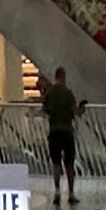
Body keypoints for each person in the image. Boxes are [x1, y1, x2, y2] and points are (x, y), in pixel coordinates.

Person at [39, 68, 83, 201]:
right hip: (67, 131)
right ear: (63, 76)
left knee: (56, 163)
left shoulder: (50, 93)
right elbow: (76, 111)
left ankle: (57, 192)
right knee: (69, 163)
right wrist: (82, 109)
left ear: (55, 76)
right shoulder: (68, 93)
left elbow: (45, 109)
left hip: (54, 131)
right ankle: (71, 193)